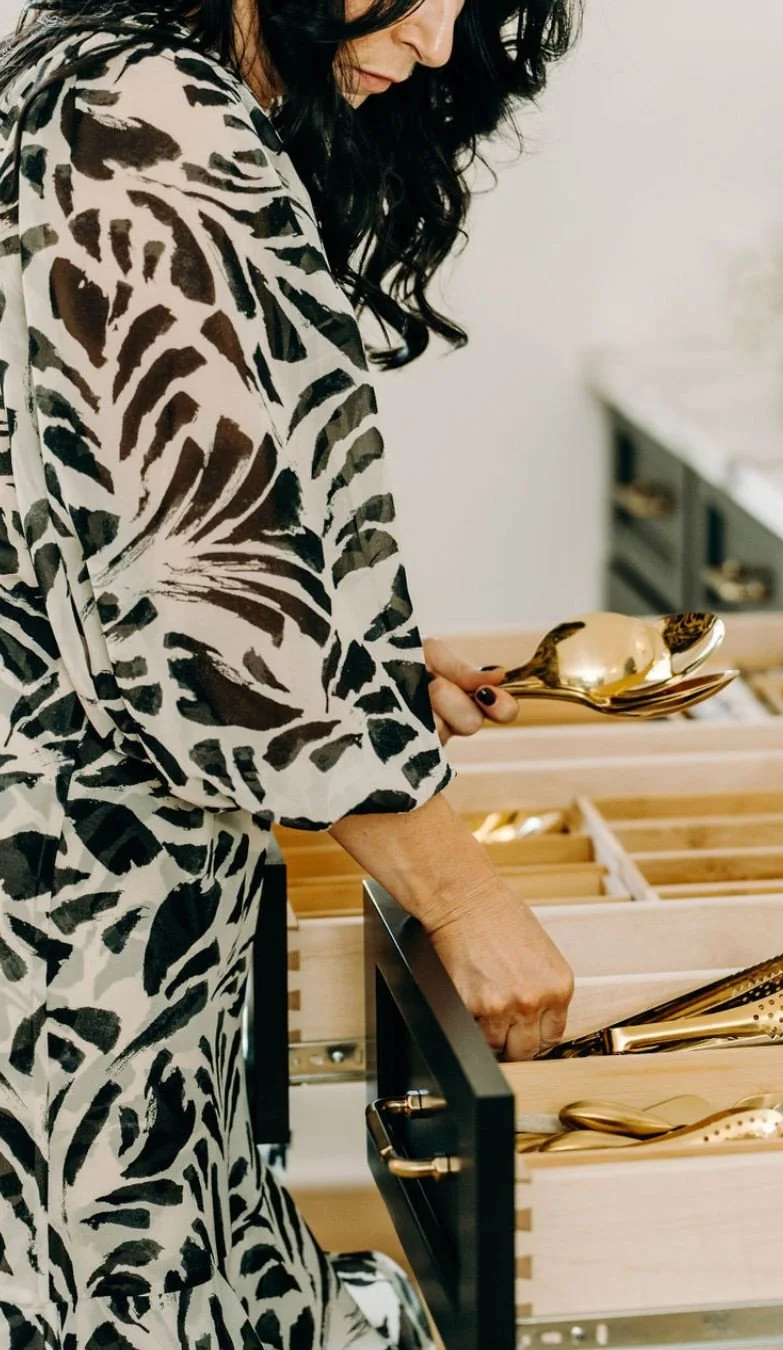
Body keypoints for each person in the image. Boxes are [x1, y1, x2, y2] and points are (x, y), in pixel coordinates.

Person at [0, 0, 579, 1344]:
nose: (439, 42)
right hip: (72, 916)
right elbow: (221, 594)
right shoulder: (146, 113)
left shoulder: (96, 74)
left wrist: (373, 665)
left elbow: (114, 516)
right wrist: (466, 895)